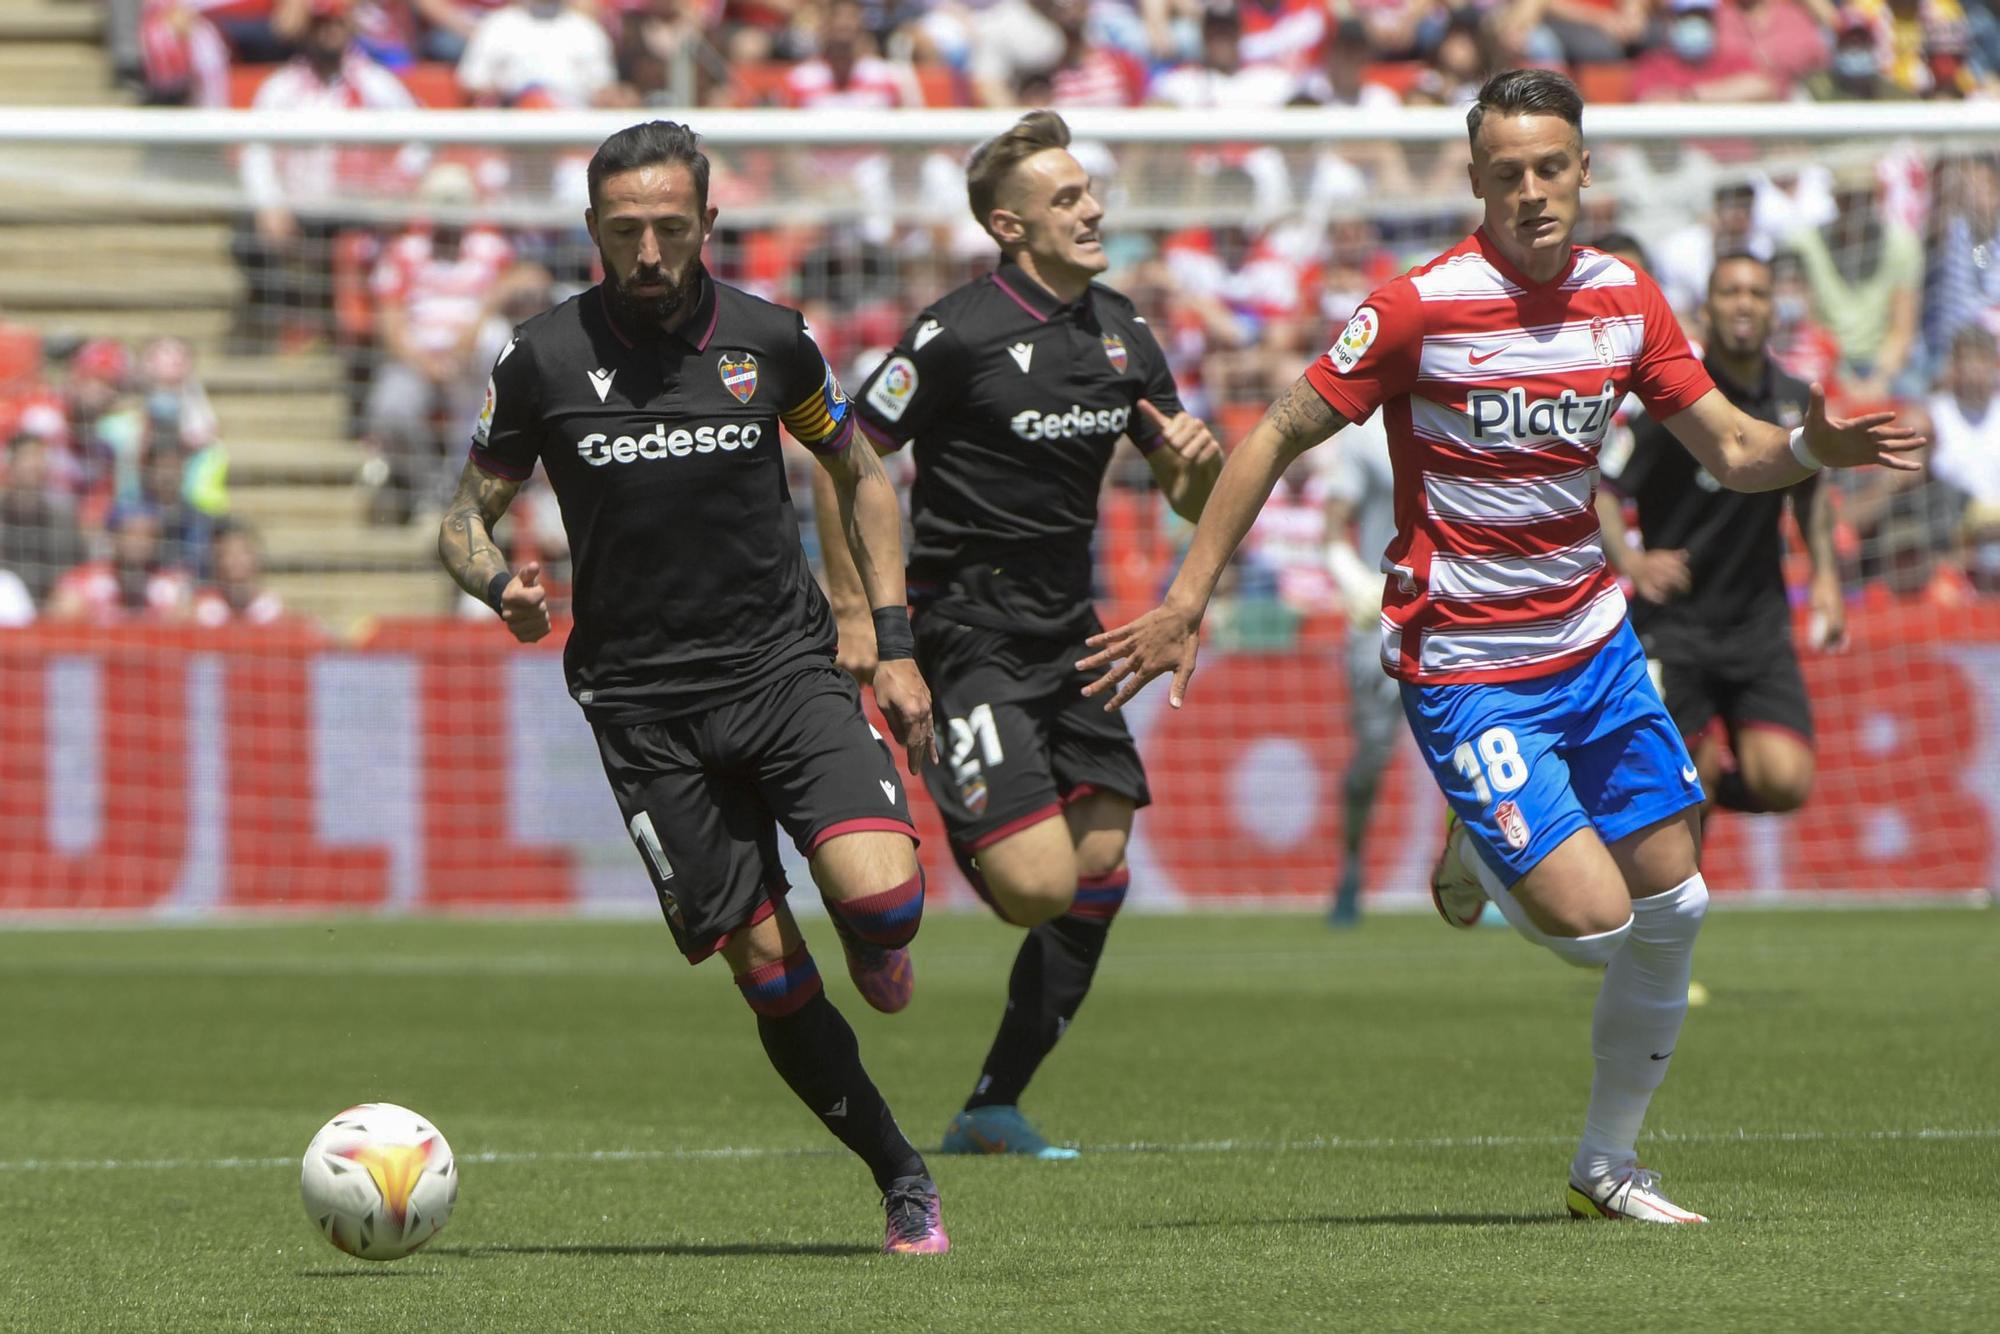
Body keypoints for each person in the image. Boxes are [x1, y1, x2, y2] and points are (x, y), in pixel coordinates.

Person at [1080, 69, 1921, 1224]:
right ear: (1474, 182)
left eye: (1550, 167)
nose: (1530, 192)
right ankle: (1477, 851)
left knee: (1676, 905)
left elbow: (1731, 450)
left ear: (1584, 170)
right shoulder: (1419, 308)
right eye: (1505, 173)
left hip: (1593, 641)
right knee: (1596, 930)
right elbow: (1275, 429)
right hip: (1465, 656)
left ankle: (1606, 1165)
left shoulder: (1624, 298)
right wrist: (1186, 594)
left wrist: (1809, 443)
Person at [436, 121, 949, 1256]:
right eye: (626, 232)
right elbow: (461, 518)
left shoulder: (769, 342)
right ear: (592, 234)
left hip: (781, 671)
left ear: (708, 223)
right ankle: (900, 1172)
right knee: (765, 968)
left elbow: (855, 470)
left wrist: (892, 637)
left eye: (671, 227)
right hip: (640, 709)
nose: (650, 250)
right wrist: (497, 590)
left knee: (882, 900)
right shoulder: (541, 360)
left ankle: (878, 935)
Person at [814, 110, 1222, 1160]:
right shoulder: (955, 333)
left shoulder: (1123, 331)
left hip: (1070, 629)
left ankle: (993, 1101)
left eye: (1089, 193)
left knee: (1099, 865)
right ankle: (927, 794)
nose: (1092, 211)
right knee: (1033, 883)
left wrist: (1192, 458)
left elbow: (1185, 492)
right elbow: (844, 453)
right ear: (1009, 225)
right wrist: (860, 610)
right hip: (965, 623)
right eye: (1067, 199)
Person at [1597, 252, 1840, 820]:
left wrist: (1826, 576)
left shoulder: (1795, 400)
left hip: (1757, 622)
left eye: (1757, 293)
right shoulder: (1675, 400)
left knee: (1786, 781)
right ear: (1707, 308)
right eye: (1731, 292)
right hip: (1675, 624)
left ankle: (1693, 790)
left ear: (1772, 309)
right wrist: (1631, 563)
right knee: (1685, 776)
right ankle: (1676, 828)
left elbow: (1809, 494)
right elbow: (1605, 487)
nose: (1744, 304)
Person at [1319, 409, 1401, 926]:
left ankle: (1486, 878)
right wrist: (1356, 583)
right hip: (1380, 624)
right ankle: (1351, 868)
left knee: (1477, 749)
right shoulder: (1365, 435)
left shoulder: (1466, 407)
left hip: (1457, 621)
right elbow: (1331, 528)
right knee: (1370, 759)